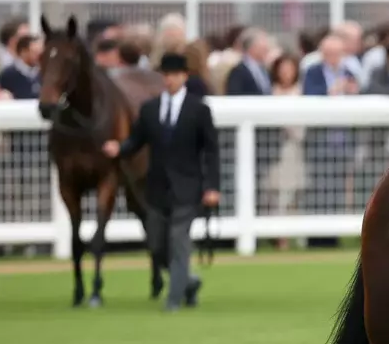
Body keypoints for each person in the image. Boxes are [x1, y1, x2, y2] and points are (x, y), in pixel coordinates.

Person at [102, 53, 220, 312]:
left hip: (187, 187)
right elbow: (137, 141)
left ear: (184, 76)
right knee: (156, 244)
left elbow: (211, 151)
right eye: (165, 75)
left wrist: (212, 187)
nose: (169, 80)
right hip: (156, 187)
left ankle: (173, 299)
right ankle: (188, 281)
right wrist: (119, 148)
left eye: (174, 74)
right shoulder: (150, 109)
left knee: (179, 241)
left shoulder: (199, 109)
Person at [223, 29, 273, 96]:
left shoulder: (264, 69)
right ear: (252, 47)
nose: (267, 50)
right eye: (263, 47)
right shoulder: (238, 72)